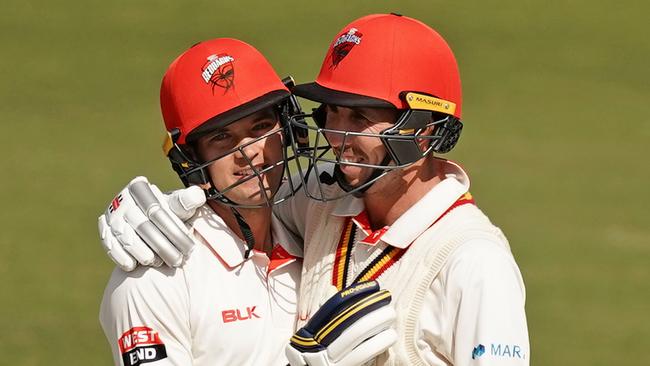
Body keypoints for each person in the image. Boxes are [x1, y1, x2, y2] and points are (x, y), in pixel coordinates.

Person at [99, 14, 529, 366]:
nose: (338, 136)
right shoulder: (321, 203)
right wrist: (138, 214)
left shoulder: (476, 263)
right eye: (331, 112)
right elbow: (237, 202)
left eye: (359, 118)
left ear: (422, 131)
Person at [98, 37, 395, 366]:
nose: (250, 153)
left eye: (261, 126)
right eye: (221, 137)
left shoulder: (313, 225)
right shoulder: (153, 278)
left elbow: (393, 176)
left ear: (287, 129)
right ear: (190, 159)